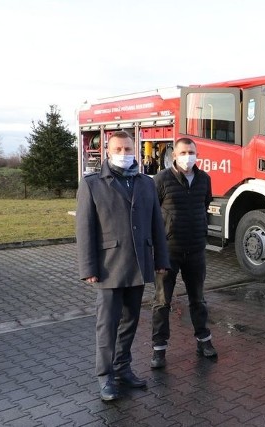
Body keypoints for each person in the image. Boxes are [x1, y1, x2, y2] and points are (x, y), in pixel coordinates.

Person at [76, 130, 170, 401]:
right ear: (108, 151)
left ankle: (122, 369)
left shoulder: (145, 183)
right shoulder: (92, 184)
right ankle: (105, 376)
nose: (124, 154)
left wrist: (161, 260)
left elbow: (156, 225)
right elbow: (85, 229)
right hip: (108, 268)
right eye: (118, 149)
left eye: (128, 149)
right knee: (107, 324)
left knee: (129, 322)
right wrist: (88, 268)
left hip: (138, 265)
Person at [150, 137, 216, 368]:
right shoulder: (161, 180)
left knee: (198, 299)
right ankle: (159, 350)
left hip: (196, 250)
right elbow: (152, 215)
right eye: (183, 152)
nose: (188, 156)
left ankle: (204, 340)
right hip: (168, 253)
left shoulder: (204, 179)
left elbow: (204, 205)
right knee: (162, 302)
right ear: (174, 155)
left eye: (192, 152)